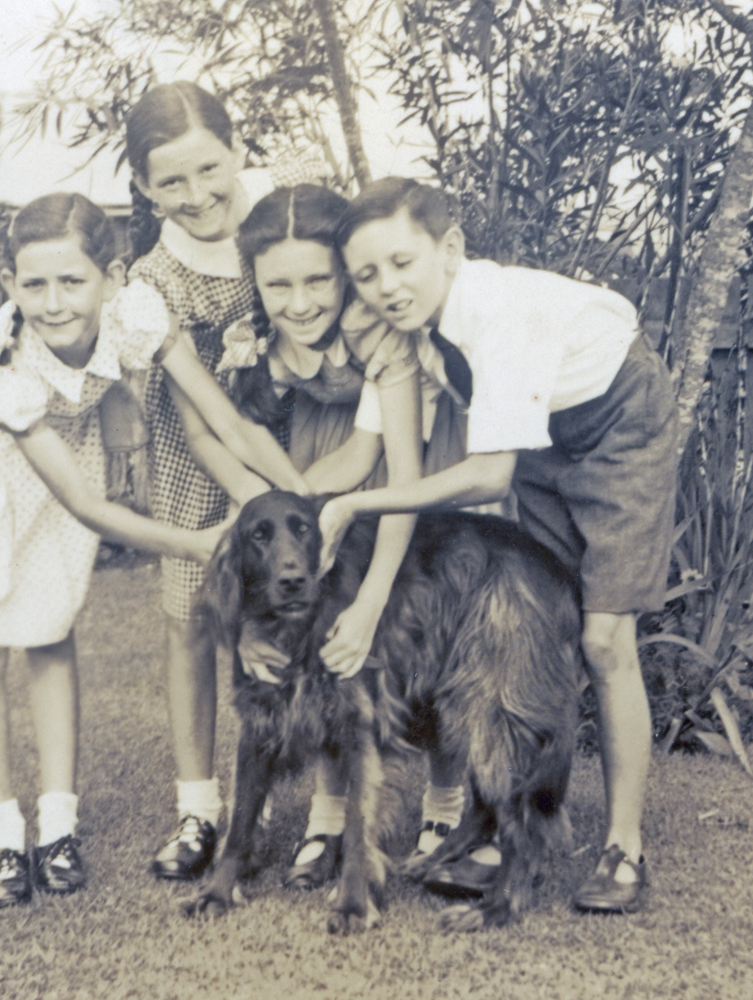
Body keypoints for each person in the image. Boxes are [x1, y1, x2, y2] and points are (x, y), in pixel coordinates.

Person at [0, 192, 304, 907]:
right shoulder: (3, 371)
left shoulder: (137, 312)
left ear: (112, 274)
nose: (53, 301)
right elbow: (89, 506)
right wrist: (199, 542)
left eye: (72, 281)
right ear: (7, 285)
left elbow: (219, 413)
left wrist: (286, 495)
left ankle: (58, 828)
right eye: (32, 284)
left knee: (50, 626)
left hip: (65, 443)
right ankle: (4, 837)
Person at [318, 177, 679, 913]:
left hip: (620, 425)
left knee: (606, 639)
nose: (387, 286)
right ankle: (523, 817)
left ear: (448, 250)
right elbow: (375, 447)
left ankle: (624, 848)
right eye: (367, 274)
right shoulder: (418, 335)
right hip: (550, 437)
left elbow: (487, 476)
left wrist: (358, 503)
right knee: (547, 631)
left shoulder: (498, 313)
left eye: (401, 262)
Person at [221, 183, 475, 889]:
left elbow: (386, 464)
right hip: (320, 463)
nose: (300, 302)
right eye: (279, 285)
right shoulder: (257, 341)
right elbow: (238, 445)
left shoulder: (379, 332)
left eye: (318, 282)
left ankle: (446, 803)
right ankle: (327, 817)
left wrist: (369, 603)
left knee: (417, 637)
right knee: (322, 645)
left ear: (345, 276)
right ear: (257, 283)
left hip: (413, 469)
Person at [122, 82, 315, 880]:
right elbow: (205, 418)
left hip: (293, 439)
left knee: (299, 614)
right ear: (142, 187)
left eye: (209, 169)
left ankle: (291, 808)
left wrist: (301, 492)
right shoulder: (150, 282)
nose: (196, 195)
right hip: (199, 455)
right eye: (170, 182)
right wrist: (256, 498)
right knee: (194, 623)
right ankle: (199, 808)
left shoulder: (280, 219)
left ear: (238, 152)